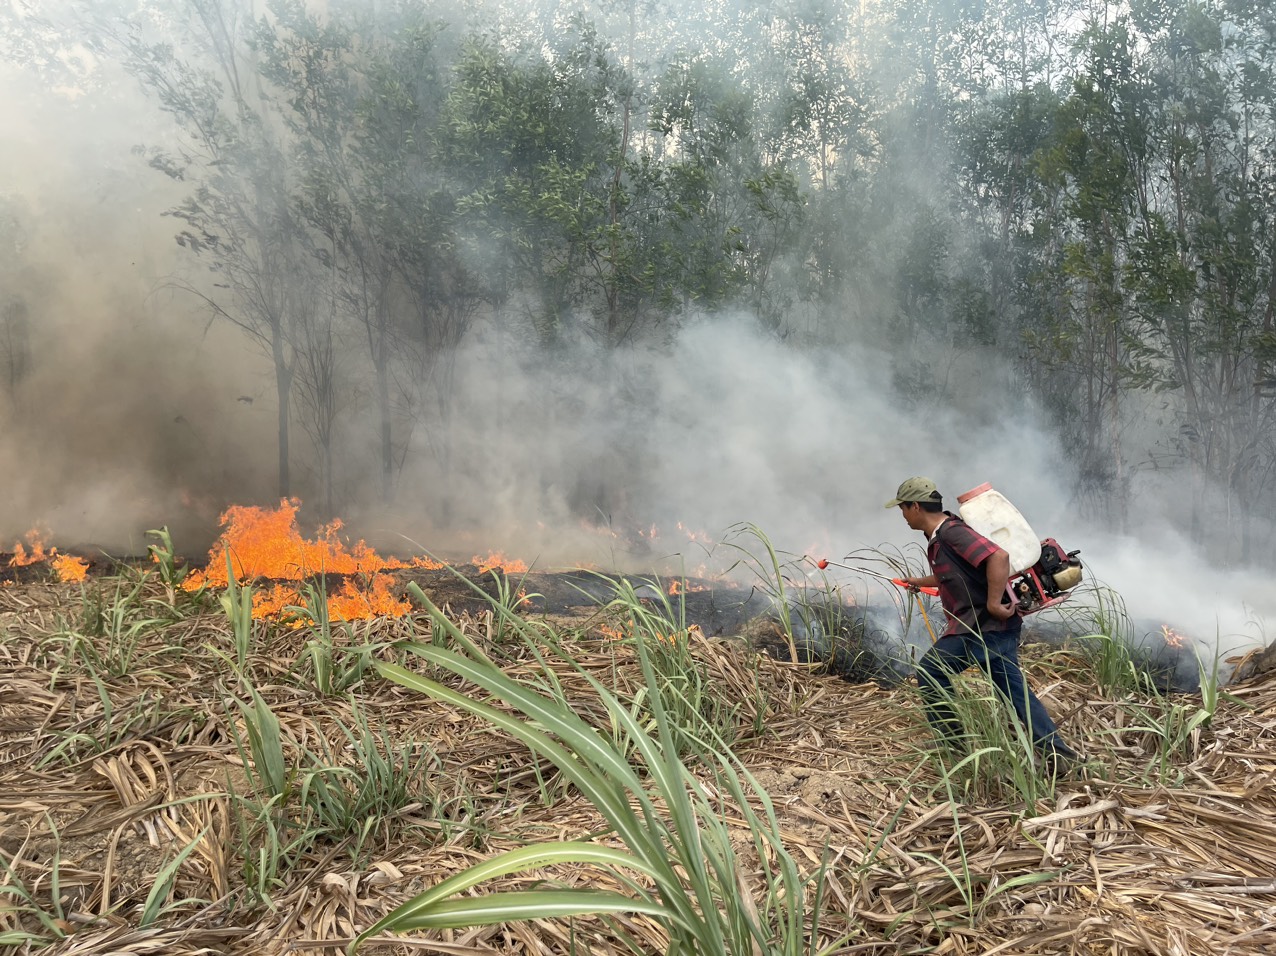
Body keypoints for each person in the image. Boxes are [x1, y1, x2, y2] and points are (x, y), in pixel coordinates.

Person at [885, 477, 1080, 774]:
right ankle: (1059, 757)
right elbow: (955, 575)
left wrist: (991, 603)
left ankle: (955, 747)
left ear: (915, 506)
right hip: (985, 628)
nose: (902, 516)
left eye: (903, 509)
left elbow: (998, 557)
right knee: (1015, 694)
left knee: (931, 671)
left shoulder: (951, 533)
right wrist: (918, 582)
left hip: (981, 627)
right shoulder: (940, 537)